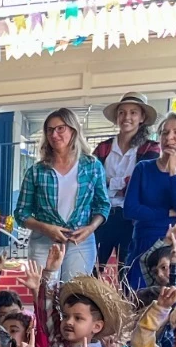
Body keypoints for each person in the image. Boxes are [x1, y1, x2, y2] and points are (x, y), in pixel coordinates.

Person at [15, 108, 109, 280]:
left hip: (80, 241)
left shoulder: (92, 166)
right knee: (44, 295)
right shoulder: (36, 171)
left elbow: (103, 205)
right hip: (43, 241)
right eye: (49, 130)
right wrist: (45, 228)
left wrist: (90, 228)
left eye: (60, 128)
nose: (54, 134)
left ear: (73, 130)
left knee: (74, 296)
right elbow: (21, 213)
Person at [124, 112, 176, 291]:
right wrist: (167, 213)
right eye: (164, 132)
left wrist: (174, 170)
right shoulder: (143, 168)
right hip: (146, 238)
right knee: (139, 296)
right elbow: (130, 209)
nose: (169, 138)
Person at [93, 92, 161, 271]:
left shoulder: (151, 148)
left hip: (132, 219)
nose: (127, 117)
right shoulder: (103, 147)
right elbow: (93, 183)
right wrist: (123, 183)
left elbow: (143, 185)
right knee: (92, 270)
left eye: (133, 113)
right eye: (122, 112)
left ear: (142, 118)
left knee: (128, 272)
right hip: (102, 216)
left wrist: (110, 183)